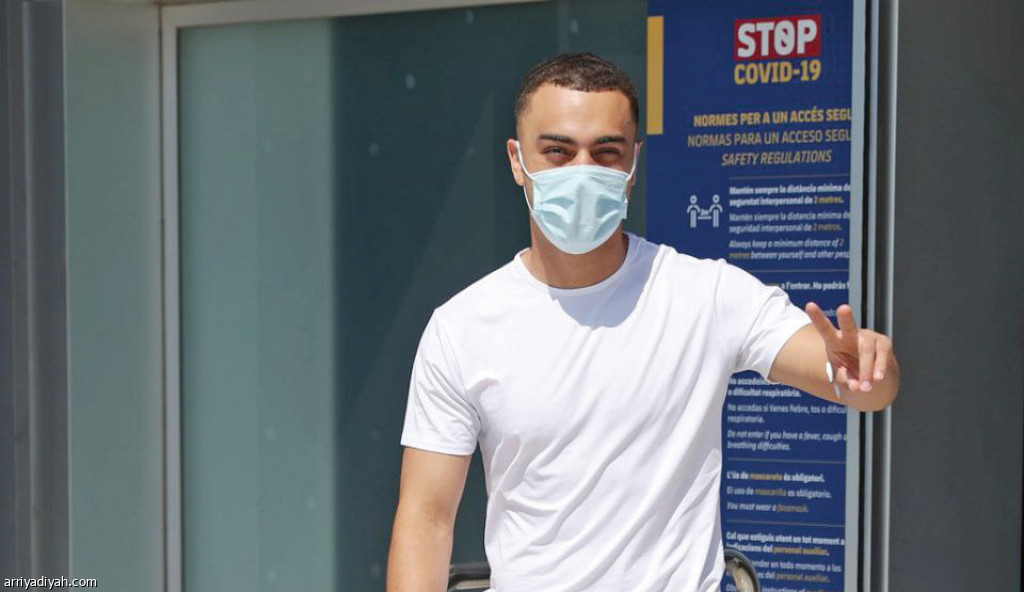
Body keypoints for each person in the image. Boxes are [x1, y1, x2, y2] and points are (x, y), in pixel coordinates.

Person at [387, 52, 899, 592]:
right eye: (557, 151)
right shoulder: (462, 327)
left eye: (605, 152)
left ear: (634, 163)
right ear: (518, 161)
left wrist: (869, 370)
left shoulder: (708, 295)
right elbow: (426, 518)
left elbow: (866, 388)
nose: (581, 172)